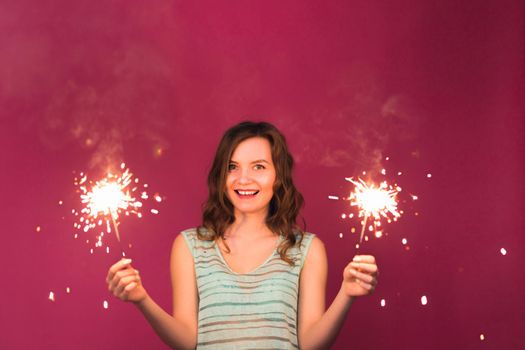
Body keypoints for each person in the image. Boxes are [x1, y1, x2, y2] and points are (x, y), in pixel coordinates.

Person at [106, 121, 378, 349]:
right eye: (233, 167)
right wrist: (141, 300)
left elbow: (309, 344)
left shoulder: (308, 249)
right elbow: (188, 341)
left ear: (278, 176)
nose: (243, 179)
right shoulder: (190, 246)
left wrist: (346, 294)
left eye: (259, 167)